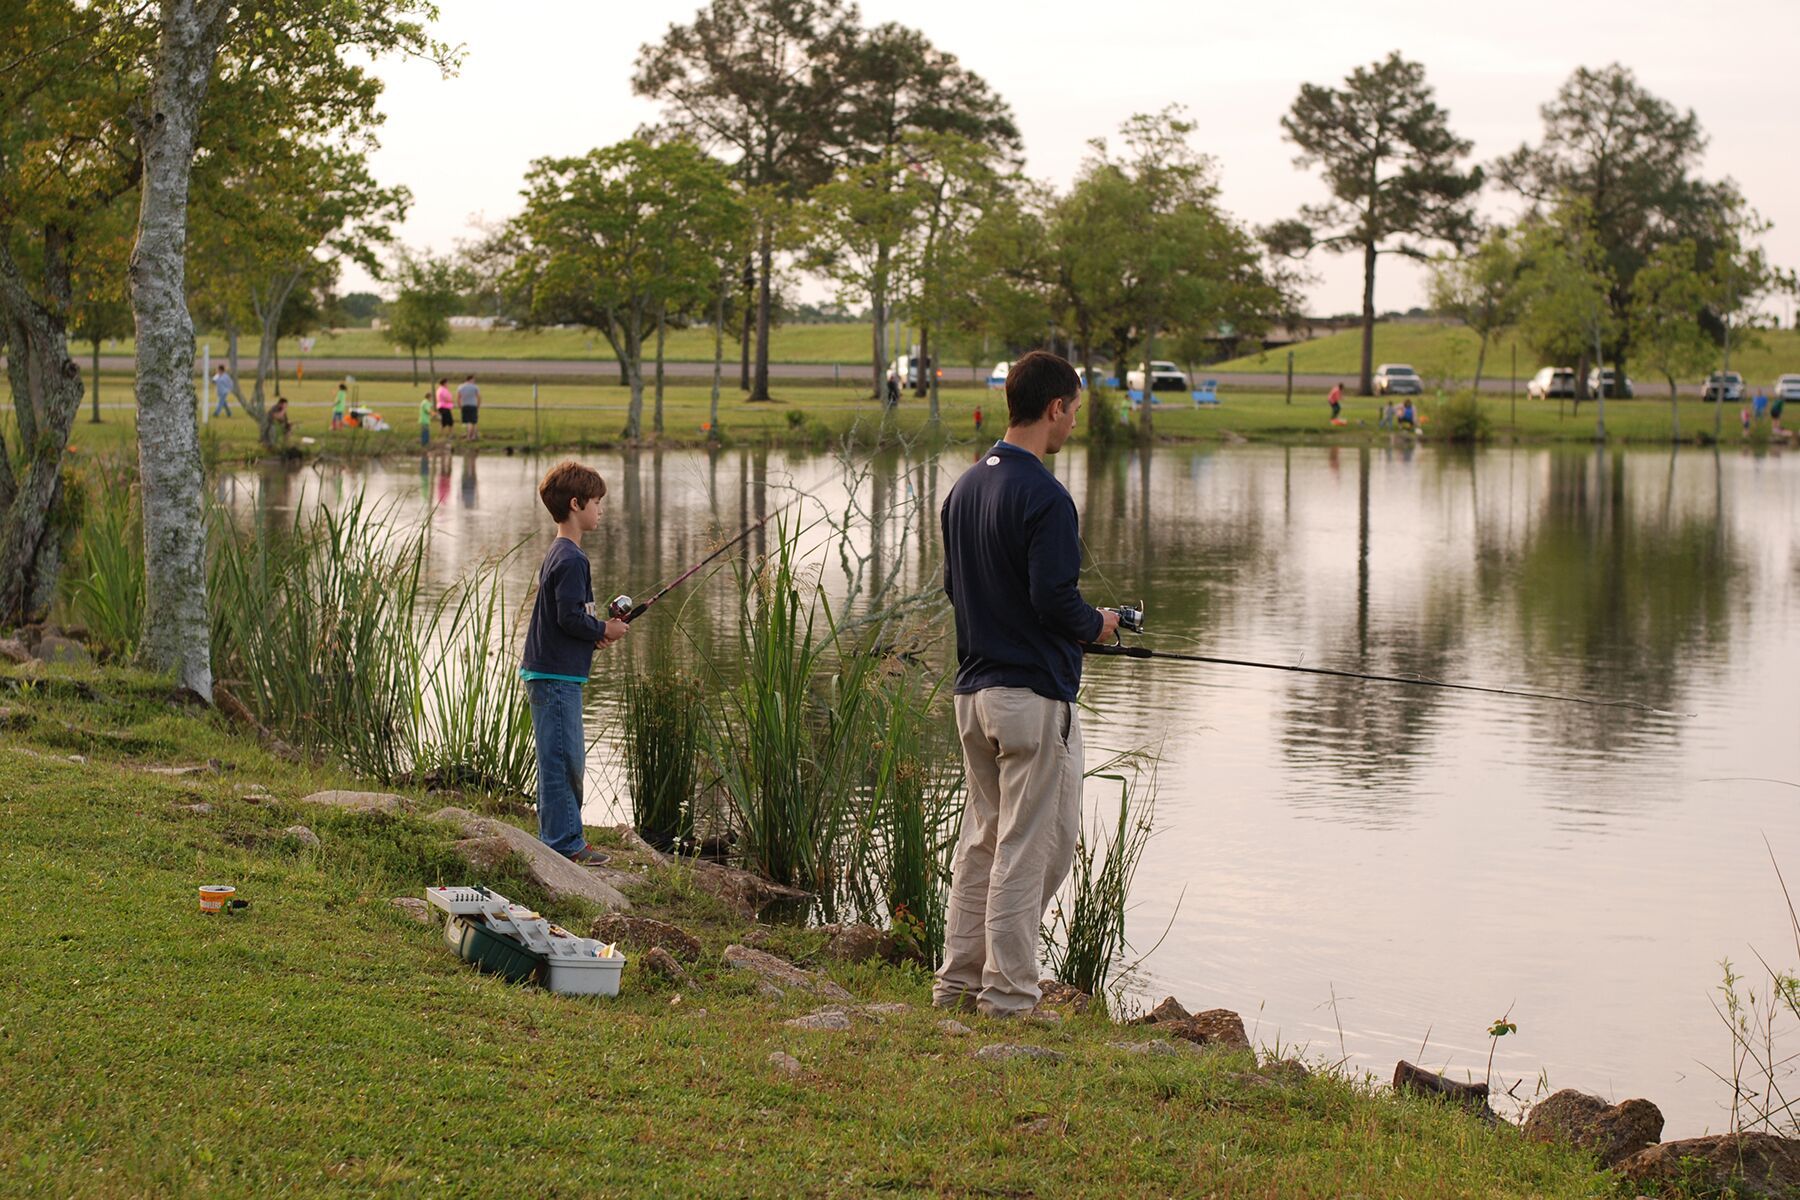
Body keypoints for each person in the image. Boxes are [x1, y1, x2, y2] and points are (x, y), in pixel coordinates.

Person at [933, 351, 1120, 1019]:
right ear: (1054, 408)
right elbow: (1053, 601)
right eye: (1073, 410)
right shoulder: (1044, 494)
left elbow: (957, 589)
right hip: (1031, 700)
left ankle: (958, 983)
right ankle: (1009, 997)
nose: (1073, 423)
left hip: (972, 695)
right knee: (1027, 845)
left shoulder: (963, 489)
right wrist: (1099, 624)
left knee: (983, 841)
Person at [519, 461, 629, 864]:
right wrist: (604, 627)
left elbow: (567, 618)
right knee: (565, 759)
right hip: (554, 674)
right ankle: (564, 843)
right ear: (575, 503)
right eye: (597, 502)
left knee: (558, 756)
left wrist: (594, 633)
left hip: (552, 670)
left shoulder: (560, 552)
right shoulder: (572, 559)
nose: (601, 510)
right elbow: (569, 617)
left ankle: (555, 837)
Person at [458, 373, 481, 441]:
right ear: (471, 379)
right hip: (473, 405)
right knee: (473, 421)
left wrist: (460, 406)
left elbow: (459, 397)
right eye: (473, 380)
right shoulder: (475, 387)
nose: (474, 381)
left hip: (464, 405)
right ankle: (471, 436)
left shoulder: (460, 387)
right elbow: (478, 397)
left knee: (467, 422)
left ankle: (470, 436)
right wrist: (478, 405)